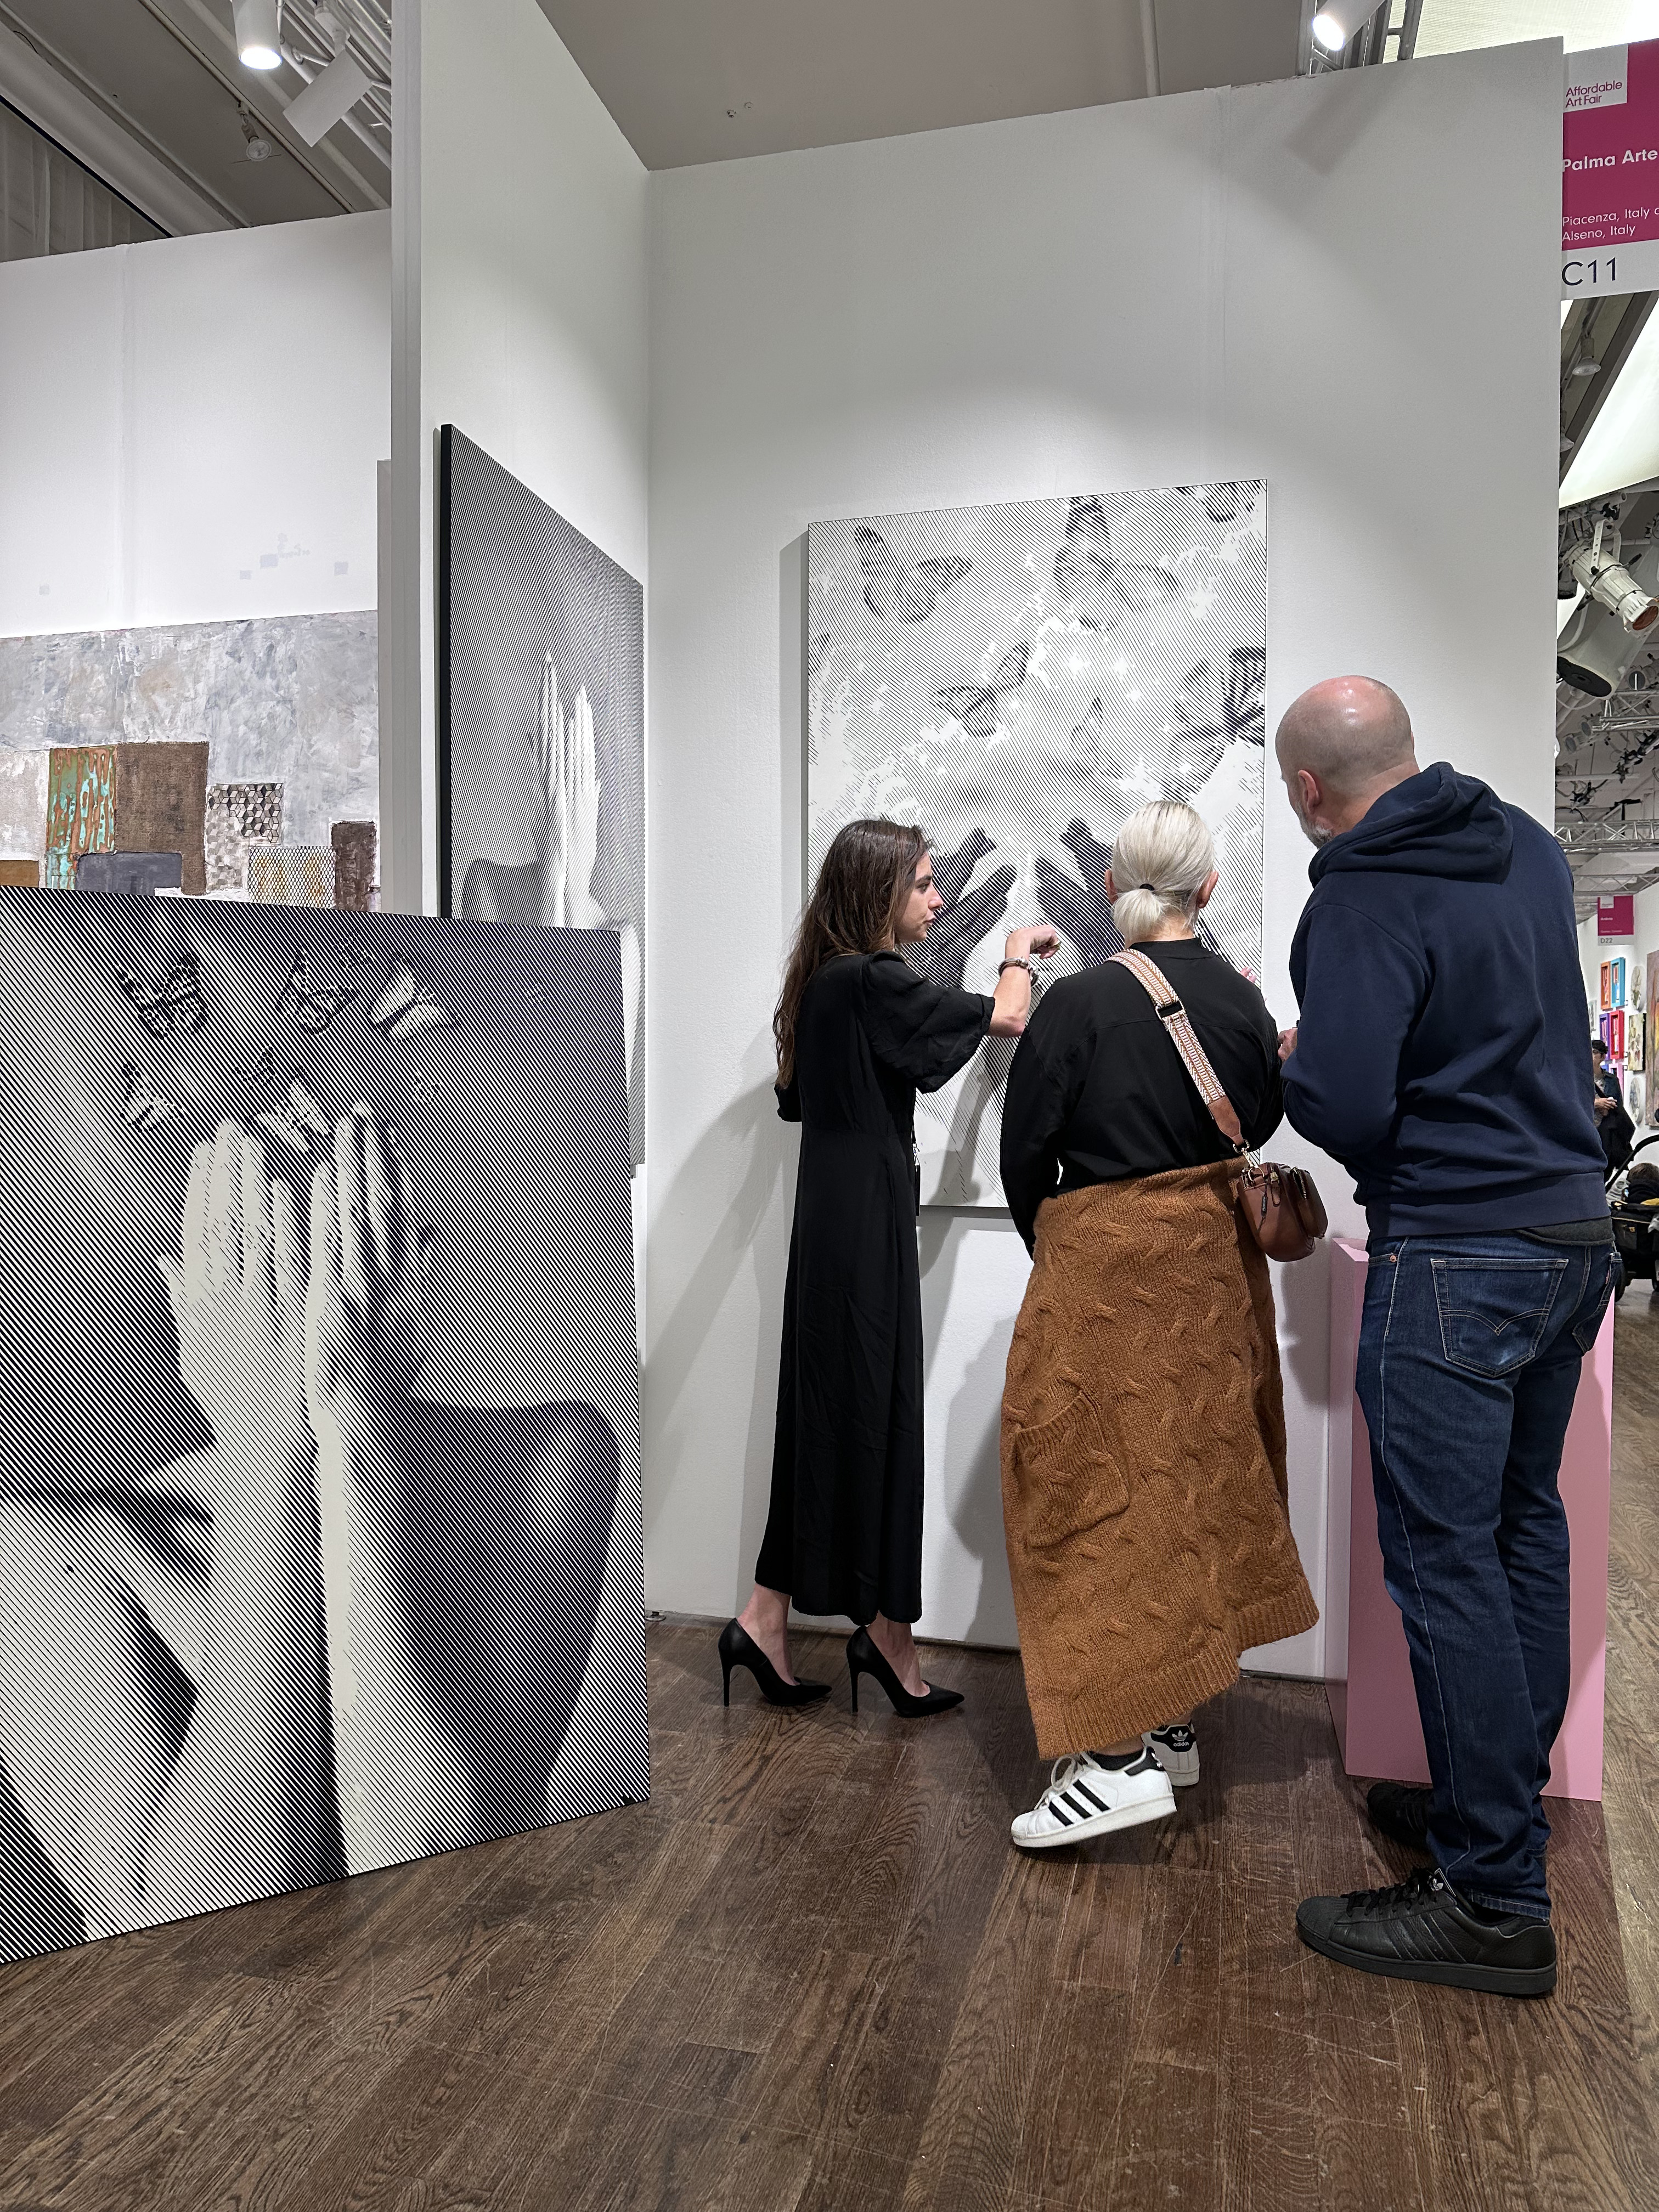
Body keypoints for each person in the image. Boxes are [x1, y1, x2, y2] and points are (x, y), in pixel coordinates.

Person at [1276, 675, 1612, 2000]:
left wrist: (1299, 1058)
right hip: (1571, 1235)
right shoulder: (1526, 843)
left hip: (1458, 1247)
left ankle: (1492, 1898)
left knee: (1444, 1559)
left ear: (1310, 790)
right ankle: (1496, 1801)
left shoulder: (1359, 895)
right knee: (1521, 1527)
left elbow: (1347, 1103)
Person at [996, 800, 1318, 1848]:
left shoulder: (1077, 1003)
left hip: (1101, 1278)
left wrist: (1067, 1248)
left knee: (1079, 1487)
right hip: (1211, 1283)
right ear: (1206, 890)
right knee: (1185, 1484)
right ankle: (1167, 1718)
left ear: (1108, 888)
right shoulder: (1237, 1000)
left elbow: (1023, 1151)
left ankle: (1113, 1761)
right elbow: (1255, 1121)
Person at [719, 820, 1058, 1716]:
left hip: (830, 1218)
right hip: (864, 1219)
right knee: (875, 1411)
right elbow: (1007, 1017)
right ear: (879, 892)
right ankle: (884, 1637)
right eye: (922, 884)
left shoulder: (824, 983)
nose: (937, 900)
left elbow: (807, 1100)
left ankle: (767, 1616)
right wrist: (1016, 953)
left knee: (830, 1412)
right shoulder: (870, 980)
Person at [1591, 1036, 1634, 1174]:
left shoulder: (1612, 1080)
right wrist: (1595, 1103)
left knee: (1606, 1169)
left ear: (1603, 1057)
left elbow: (1618, 1107)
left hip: (1607, 1132)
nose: (1590, 1056)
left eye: (1594, 1052)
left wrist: (1608, 1108)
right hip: (1588, 1130)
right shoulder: (1580, 1079)